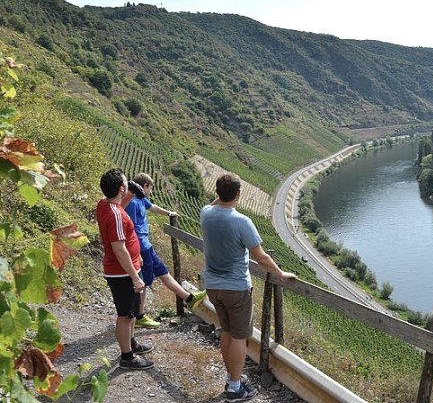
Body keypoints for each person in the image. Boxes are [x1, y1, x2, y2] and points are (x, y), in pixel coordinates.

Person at [200, 173, 296, 402]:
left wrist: (221, 195)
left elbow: (214, 204)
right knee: (240, 337)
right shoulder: (242, 222)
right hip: (236, 288)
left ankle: (232, 376)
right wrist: (280, 273)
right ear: (239, 194)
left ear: (217, 192)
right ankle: (234, 388)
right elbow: (261, 257)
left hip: (212, 285)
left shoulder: (206, 214)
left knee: (226, 330)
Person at [125, 172, 206, 328]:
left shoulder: (141, 200)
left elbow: (153, 207)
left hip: (146, 245)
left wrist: (168, 213)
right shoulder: (133, 203)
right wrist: (136, 251)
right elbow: (131, 228)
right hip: (141, 247)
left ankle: (189, 298)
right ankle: (139, 316)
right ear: (145, 186)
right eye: (151, 188)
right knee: (144, 282)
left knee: (163, 272)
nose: (151, 192)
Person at [96, 168, 154, 370]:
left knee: (130, 312)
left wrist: (129, 195)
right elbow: (119, 248)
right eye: (126, 183)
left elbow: (120, 205)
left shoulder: (105, 205)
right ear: (121, 187)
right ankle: (127, 357)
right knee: (125, 315)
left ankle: (132, 343)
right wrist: (135, 277)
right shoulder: (116, 216)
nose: (129, 183)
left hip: (122, 270)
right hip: (122, 272)